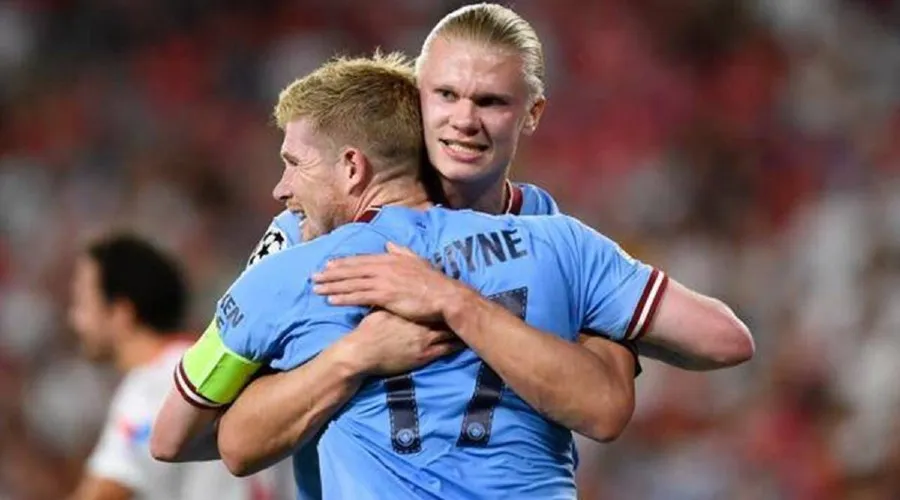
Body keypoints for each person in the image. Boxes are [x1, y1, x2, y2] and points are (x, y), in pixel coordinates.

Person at [151, 50, 744, 498]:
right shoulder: (555, 238)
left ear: (353, 167)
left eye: (292, 163)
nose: (281, 189)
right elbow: (723, 341)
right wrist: (602, 325)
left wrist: (349, 360)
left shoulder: (288, 263)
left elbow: (181, 439)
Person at [67, 234, 288, 500]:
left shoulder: (148, 387)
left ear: (120, 313)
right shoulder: (212, 363)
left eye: (81, 304)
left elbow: (103, 493)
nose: (73, 319)